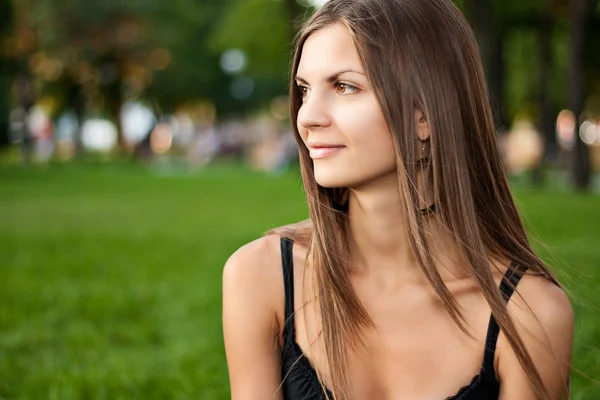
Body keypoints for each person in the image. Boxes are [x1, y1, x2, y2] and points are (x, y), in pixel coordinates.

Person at [222, 0, 575, 399]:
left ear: (424, 115)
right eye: (304, 90)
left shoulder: (528, 313)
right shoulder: (260, 276)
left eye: (344, 87)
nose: (307, 116)